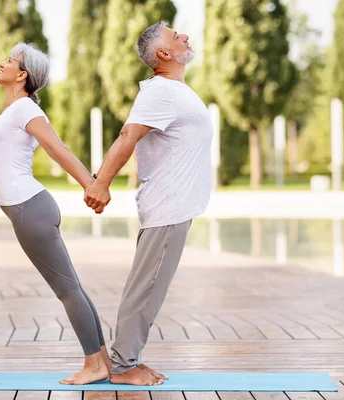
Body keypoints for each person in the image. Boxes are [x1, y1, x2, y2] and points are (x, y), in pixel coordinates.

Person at [84, 22, 213, 386]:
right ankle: (125, 365)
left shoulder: (174, 91)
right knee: (148, 286)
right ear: (163, 54)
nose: (185, 36)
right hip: (168, 206)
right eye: (176, 36)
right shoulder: (161, 92)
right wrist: (100, 184)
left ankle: (127, 359)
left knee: (148, 285)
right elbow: (128, 135)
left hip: (174, 207)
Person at [0, 42, 110, 385]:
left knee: (67, 291)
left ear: (21, 74)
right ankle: (103, 361)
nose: (2, 62)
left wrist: (92, 185)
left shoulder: (25, 110)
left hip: (31, 209)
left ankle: (95, 365)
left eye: (9, 60)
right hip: (28, 209)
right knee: (73, 289)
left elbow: (59, 151)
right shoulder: (14, 111)